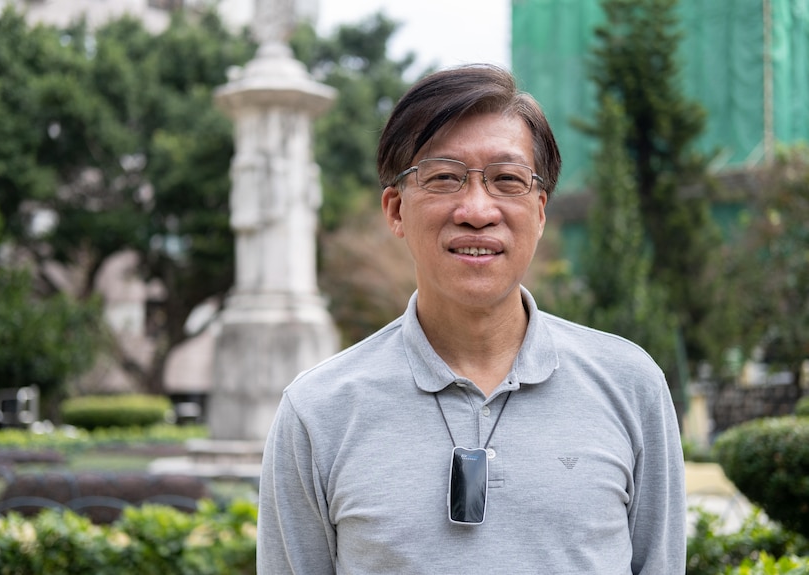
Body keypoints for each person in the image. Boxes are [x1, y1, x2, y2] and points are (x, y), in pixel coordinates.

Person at [257, 64, 686, 574]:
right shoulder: (319, 411)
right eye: (444, 178)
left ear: (541, 211)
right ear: (395, 210)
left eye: (507, 180)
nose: (477, 209)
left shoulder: (631, 386)